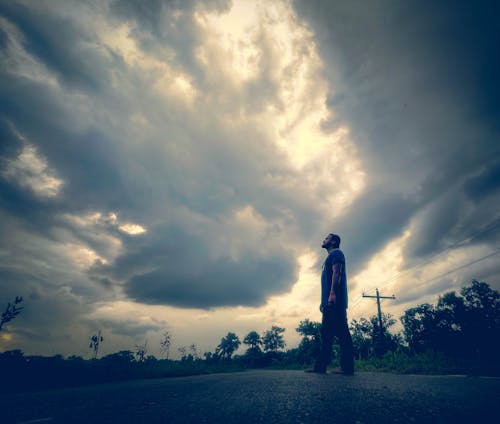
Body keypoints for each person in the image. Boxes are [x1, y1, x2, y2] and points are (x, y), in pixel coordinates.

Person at [308, 233, 354, 374]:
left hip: (335, 302)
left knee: (342, 334)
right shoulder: (330, 257)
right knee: (327, 334)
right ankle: (322, 367)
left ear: (333, 242)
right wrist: (323, 302)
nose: (324, 240)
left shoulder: (337, 254)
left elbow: (337, 273)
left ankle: (345, 368)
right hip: (329, 303)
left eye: (326, 238)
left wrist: (333, 294)